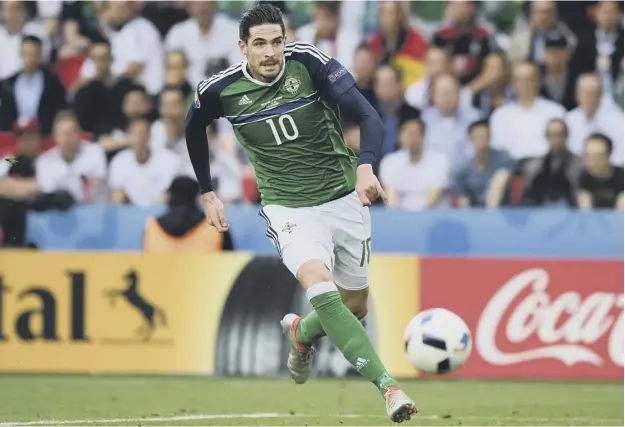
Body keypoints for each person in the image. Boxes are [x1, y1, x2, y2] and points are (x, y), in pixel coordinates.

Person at [185, 3, 417, 423]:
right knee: (321, 288)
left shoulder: (310, 64)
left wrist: (365, 164)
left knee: (355, 307)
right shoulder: (220, 90)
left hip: (343, 197)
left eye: (277, 41)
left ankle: (301, 331)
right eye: (260, 44)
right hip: (287, 207)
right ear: (243, 47)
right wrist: (208, 193)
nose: (271, 52)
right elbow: (192, 127)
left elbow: (368, 114)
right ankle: (390, 389)